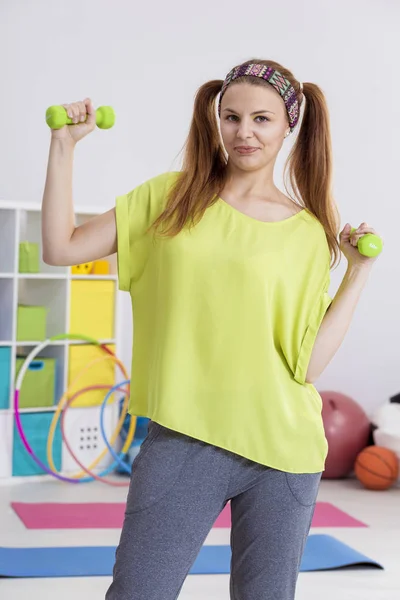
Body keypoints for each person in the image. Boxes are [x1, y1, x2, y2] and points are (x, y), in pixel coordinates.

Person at [41, 58, 382, 600]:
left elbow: (308, 365)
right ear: (215, 119)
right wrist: (64, 145)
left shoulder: (309, 232)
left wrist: (357, 273)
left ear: (289, 124)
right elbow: (61, 247)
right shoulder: (167, 198)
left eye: (261, 119)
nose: (243, 132)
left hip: (283, 449)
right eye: (231, 116)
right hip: (183, 439)